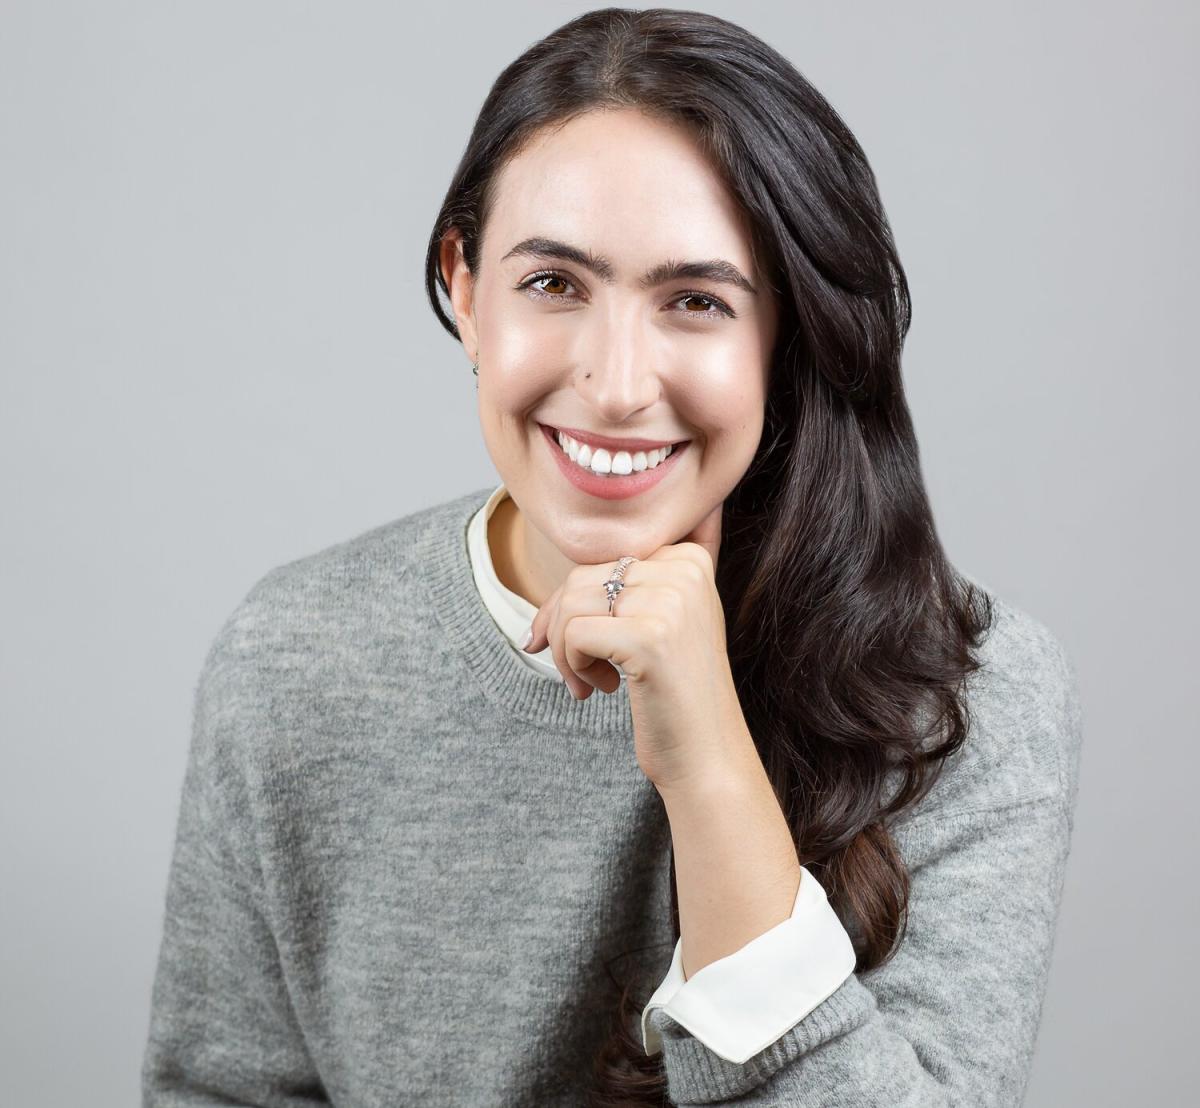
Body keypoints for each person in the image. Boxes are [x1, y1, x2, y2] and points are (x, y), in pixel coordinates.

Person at [141, 8, 1083, 1106]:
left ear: (786, 334)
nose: (617, 383)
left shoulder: (965, 696)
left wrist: (708, 763)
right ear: (465, 287)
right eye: (554, 283)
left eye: (697, 301)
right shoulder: (295, 658)